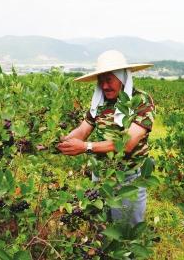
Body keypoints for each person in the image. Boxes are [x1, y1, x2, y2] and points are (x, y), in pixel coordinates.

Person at [57, 50, 155, 226]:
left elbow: (127, 144)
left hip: (128, 179)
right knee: (101, 230)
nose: (104, 86)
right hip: (101, 177)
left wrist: (86, 147)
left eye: (109, 80)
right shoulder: (100, 103)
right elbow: (82, 131)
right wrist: (55, 144)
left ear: (122, 78)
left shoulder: (141, 101)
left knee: (125, 232)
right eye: (101, 81)